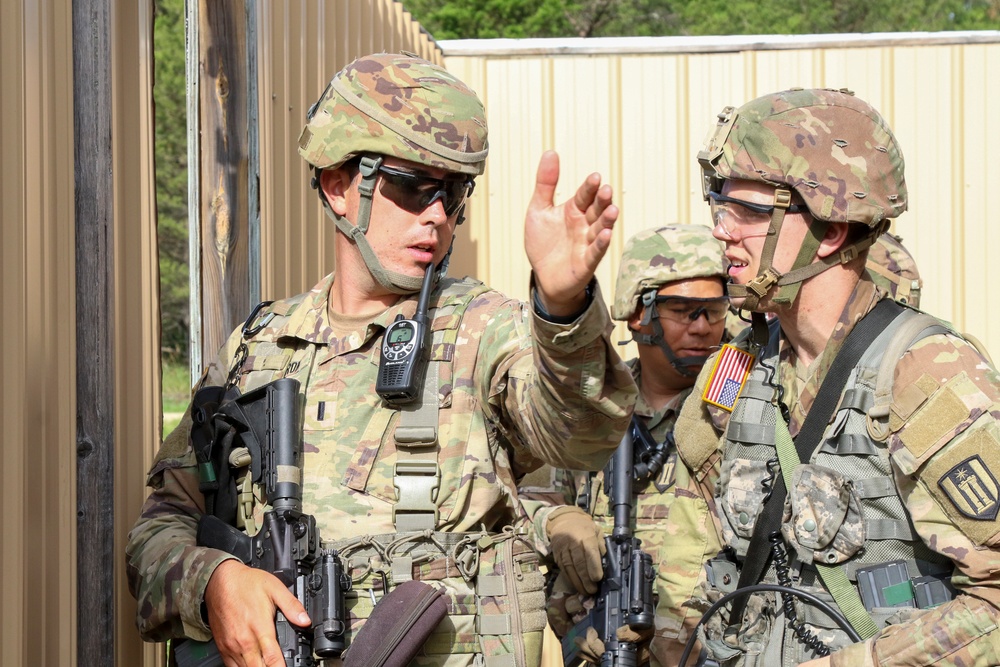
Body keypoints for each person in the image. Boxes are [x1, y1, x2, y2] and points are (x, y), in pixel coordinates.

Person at [126, 53, 638, 667]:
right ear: (341, 186)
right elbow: (157, 532)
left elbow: (582, 437)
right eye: (413, 187)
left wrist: (562, 308)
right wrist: (213, 583)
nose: (437, 216)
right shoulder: (257, 347)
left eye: (453, 194)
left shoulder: (483, 330)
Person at [673, 87, 1000, 666]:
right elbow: (704, 535)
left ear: (830, 231)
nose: (722, 230)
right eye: (720, 206)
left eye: (750, 212)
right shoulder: (743, 363)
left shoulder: (925, 372)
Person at [518, 224, 730, 666]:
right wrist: (555, 519)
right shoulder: (594, 408)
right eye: (684, 311)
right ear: (638, 315)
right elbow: (516, 499)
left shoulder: (744, 403)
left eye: (714, 310)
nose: (704, 327)